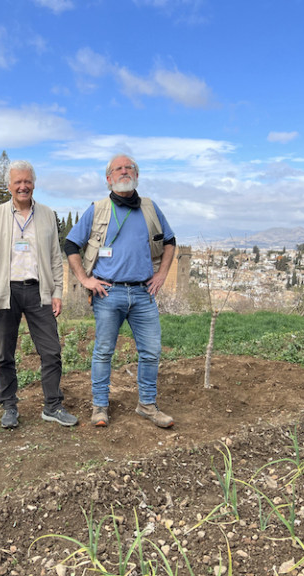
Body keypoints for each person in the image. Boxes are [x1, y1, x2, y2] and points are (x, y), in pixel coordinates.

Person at [65, 154, 177, 428]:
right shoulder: (98, 209)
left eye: (129, 168)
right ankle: (100, 407)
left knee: (151, 352)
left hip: (143, 294)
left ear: (136, 174)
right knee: (103, 352)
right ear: (108, 178)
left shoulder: (150, 208)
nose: (124, 171)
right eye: (118, 169)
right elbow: (70, 245)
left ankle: (147, 405)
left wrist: (161, 275)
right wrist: (85, 280)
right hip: (108, 293)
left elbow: (171, 242)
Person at [0, 160, 78, 429]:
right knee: (4, 353)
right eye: (18, 182)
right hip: (6, 291)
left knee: (52, 351)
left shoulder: (46, 214)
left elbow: (56, 257)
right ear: (9, 186)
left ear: (34, 184)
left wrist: (57, 291)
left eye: (27, 181)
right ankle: (9, 407)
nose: (23, 186)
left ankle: (53, 406)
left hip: (39, 290)